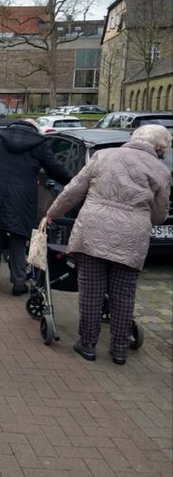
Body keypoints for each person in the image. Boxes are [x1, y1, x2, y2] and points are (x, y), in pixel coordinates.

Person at [46, 124, 171, 365]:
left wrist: (53, 212)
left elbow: (74, 190)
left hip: (93, 230)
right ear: (159, 147)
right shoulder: (161, 170)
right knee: (123, 293)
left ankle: (88, 344)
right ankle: (119, 349)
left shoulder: (104, 156)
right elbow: (159, 214)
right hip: (131, 236)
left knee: (91, 289)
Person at [0, 118, 70, 295]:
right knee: (18, 236)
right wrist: (74, 182)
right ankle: (19, 282)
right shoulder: (39, 142)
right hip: (22, 196)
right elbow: (56, 169)